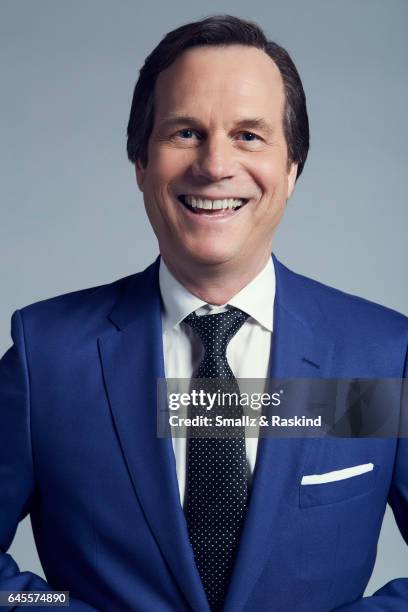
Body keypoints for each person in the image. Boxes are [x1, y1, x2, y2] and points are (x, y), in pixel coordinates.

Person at [0, 14, 407, 612]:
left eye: (249, 135)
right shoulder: (47, 358)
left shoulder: (380, 357)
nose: (215, 165)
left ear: (291, 168)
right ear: (141, 163)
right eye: (185, 132)